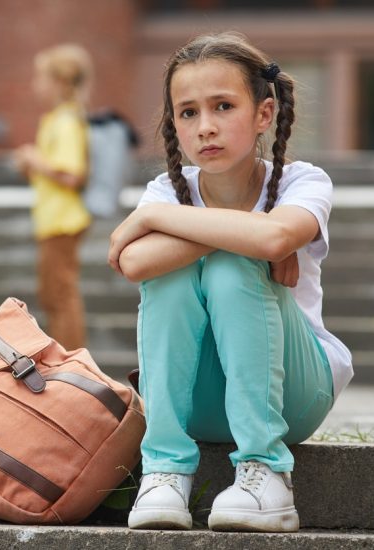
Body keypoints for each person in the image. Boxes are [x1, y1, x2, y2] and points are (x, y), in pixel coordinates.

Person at [108, 32, 353, 532]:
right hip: (199, 401)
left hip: (294, 394)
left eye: (223, 106)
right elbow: (135, 265)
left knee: (230, 265)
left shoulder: (301, 182)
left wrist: (156, 222)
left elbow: (277, 236)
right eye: (188, 113)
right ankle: (164, 471)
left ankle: (265, 470)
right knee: (176, 274)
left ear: (264, 114)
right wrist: (250, 234)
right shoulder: (166, 189)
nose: (206, 127)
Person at [14, 44, 92, 351]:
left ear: (60, 82)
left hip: (63, 220)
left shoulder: (67, 122)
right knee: (53, 295)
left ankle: (72, 362)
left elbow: (72, 175)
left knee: (61, 295)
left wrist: (35, 160)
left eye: (41, 78)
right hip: (52, 220)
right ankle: (66, 360)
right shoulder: (57, 119)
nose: (36, 85)